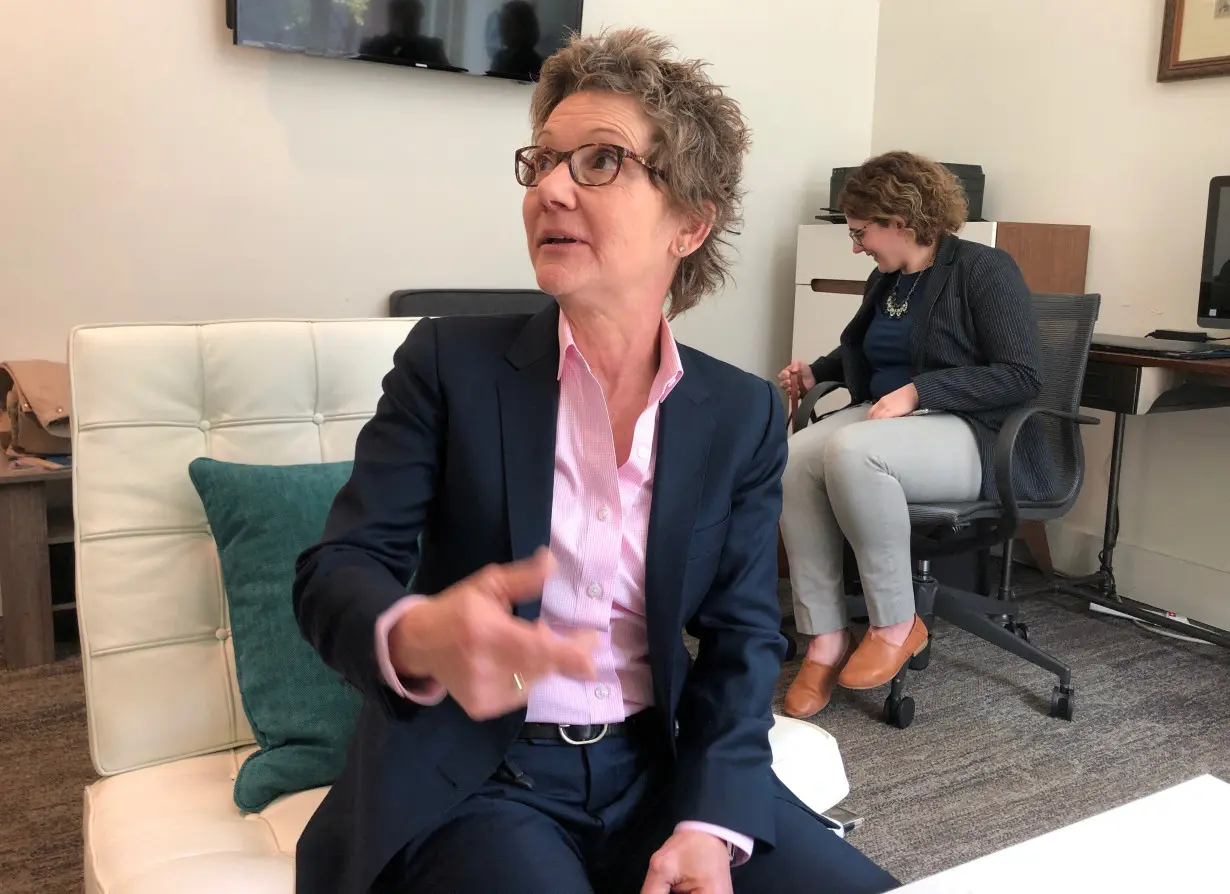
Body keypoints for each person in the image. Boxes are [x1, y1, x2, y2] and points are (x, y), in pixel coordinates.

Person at [292, 27, 898, 894]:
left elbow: (741, 640)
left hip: (661, 770)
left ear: (689, 223)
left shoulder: (741, 412)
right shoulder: (446, 366)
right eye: (541, 161)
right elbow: (337, 569)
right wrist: (415, 633)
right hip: (481, 779)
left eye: (600, 161)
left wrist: (709, 821)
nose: (549, 188)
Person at [777, 150, 1051, 719]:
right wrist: (818, 372)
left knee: (853, 452)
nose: (856, 246)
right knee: (794, 458)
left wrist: (923, 393)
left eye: (860, 232)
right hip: (895, 420)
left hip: (972, 432)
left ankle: (897, 623)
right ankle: (826, 638)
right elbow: (877, 351)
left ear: (899, 220)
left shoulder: (982, 269)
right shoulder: (892, 278)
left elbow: (1022, 374)